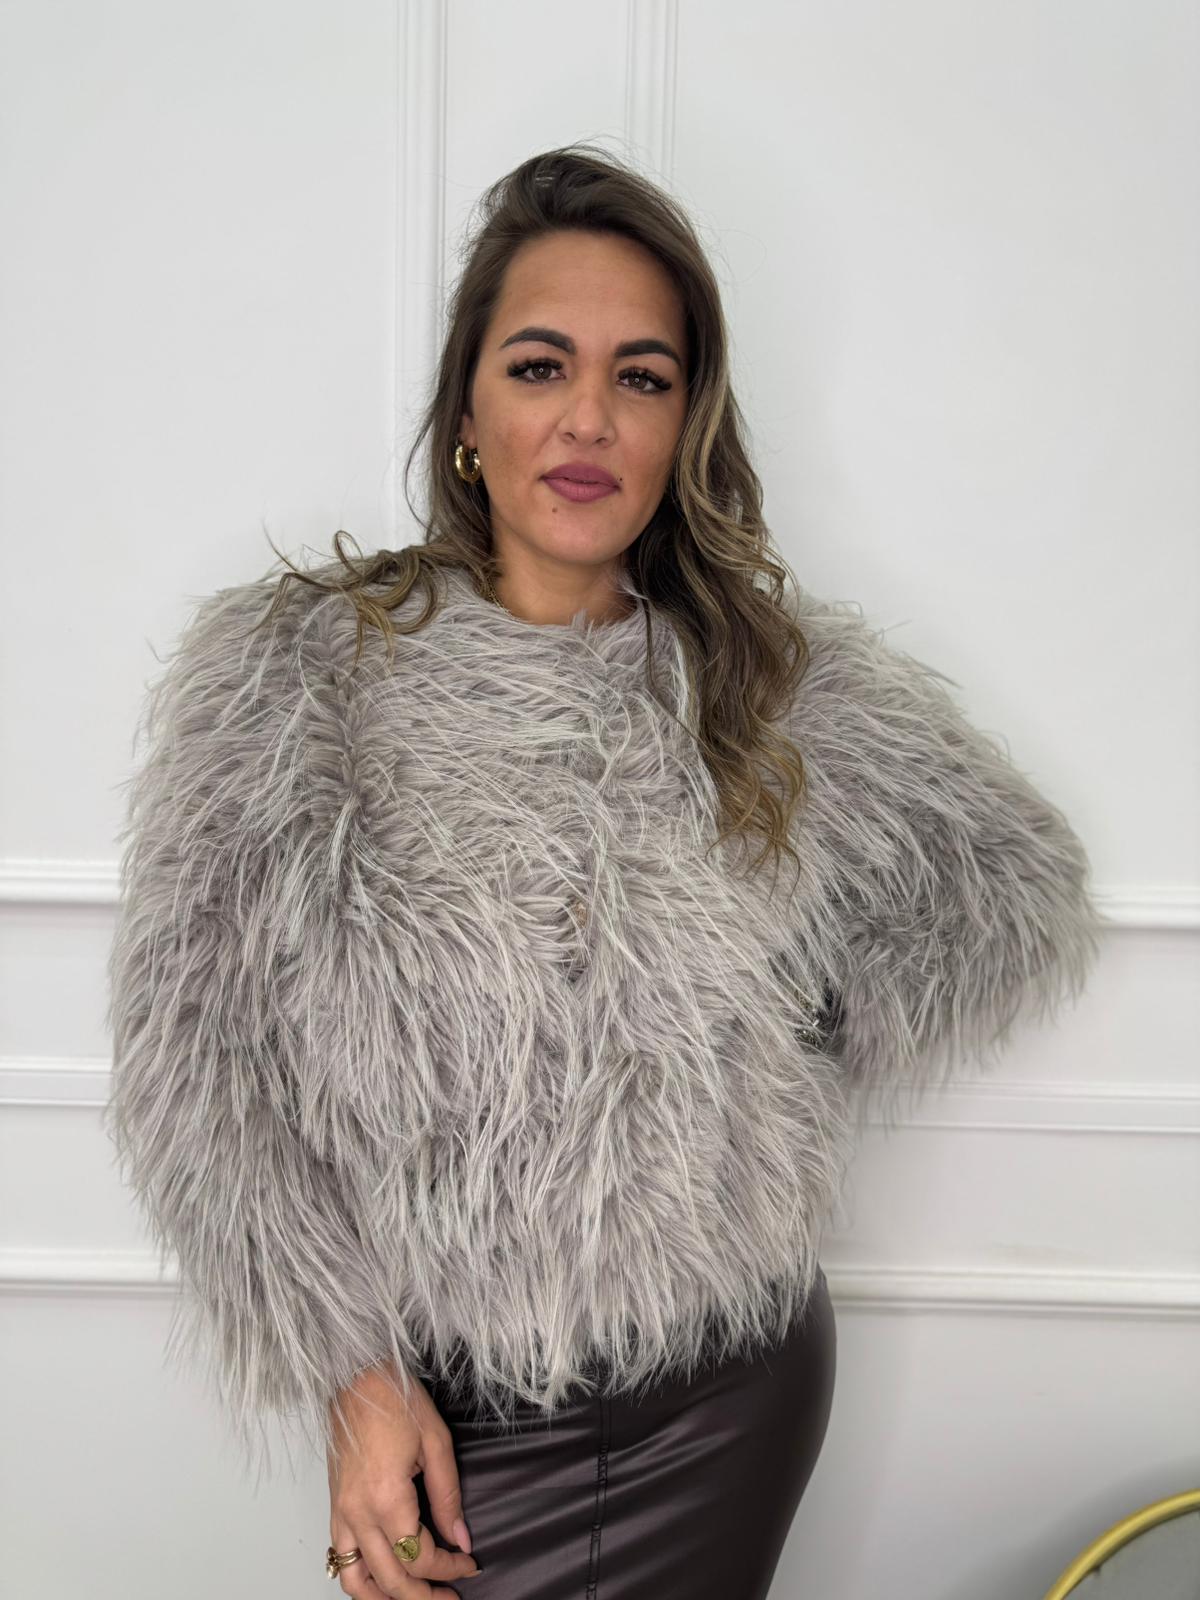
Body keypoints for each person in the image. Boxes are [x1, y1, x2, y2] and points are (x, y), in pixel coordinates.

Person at [104, 144, 1103, 1599]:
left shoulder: (771, 684)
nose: (587, 419)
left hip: (724, 1383)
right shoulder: (296, 673)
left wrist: (751, 1067)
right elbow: (198, 1070)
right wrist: (353, 1379)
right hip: (440, 1394)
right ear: (467, 410)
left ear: (687, 420)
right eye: (538, 366)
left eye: (642, 376)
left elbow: (1012, 887)